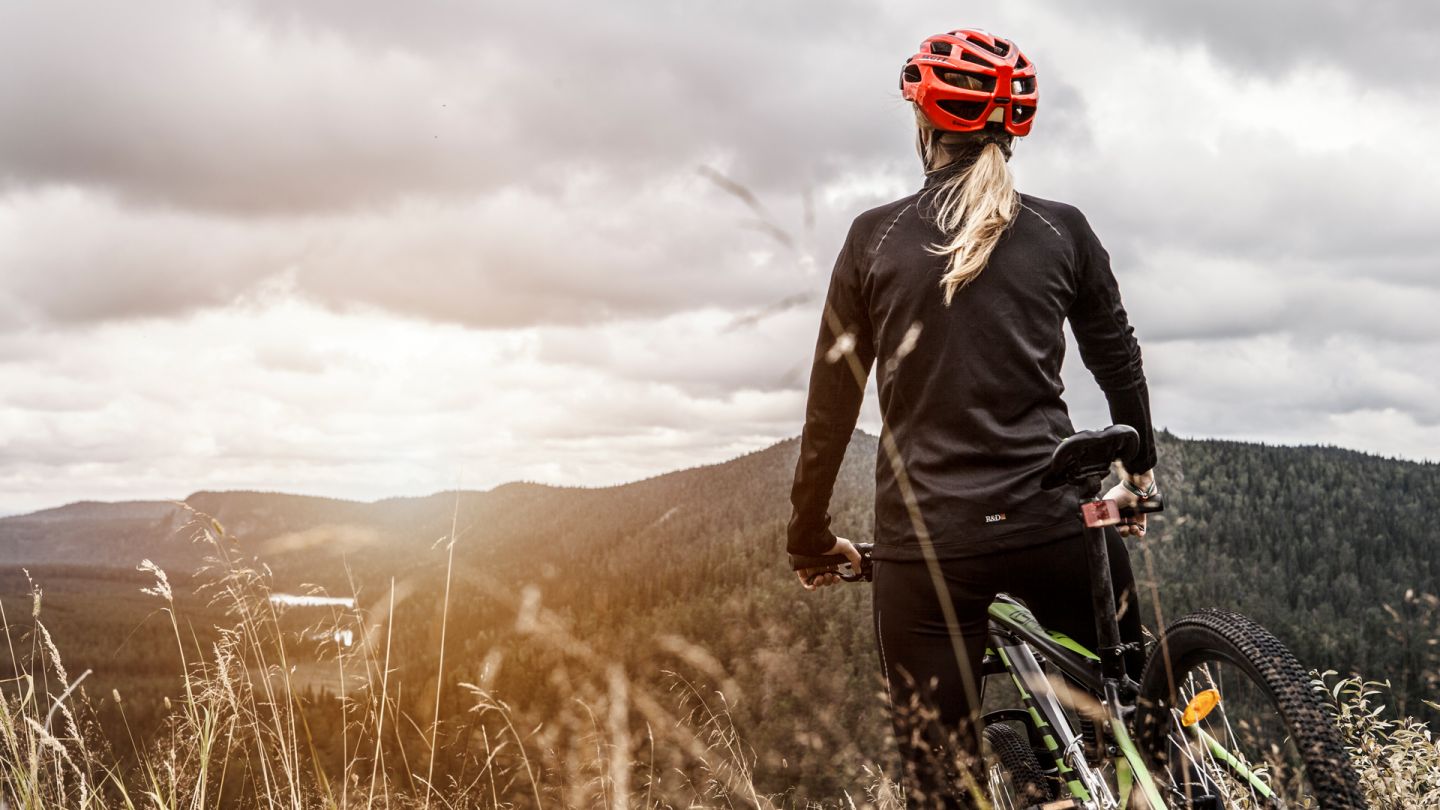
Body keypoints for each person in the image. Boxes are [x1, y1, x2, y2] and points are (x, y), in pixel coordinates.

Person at [785, 29, 1158, 809]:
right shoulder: (1063, 228)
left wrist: (810, 537)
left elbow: (832, 405)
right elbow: (1117, 358)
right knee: (1142, 722)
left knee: (941, 787)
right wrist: (1140, 471)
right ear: (1010, 128)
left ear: (925, 124)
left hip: (929, 548)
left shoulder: (874, 236)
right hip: (1061, 524)